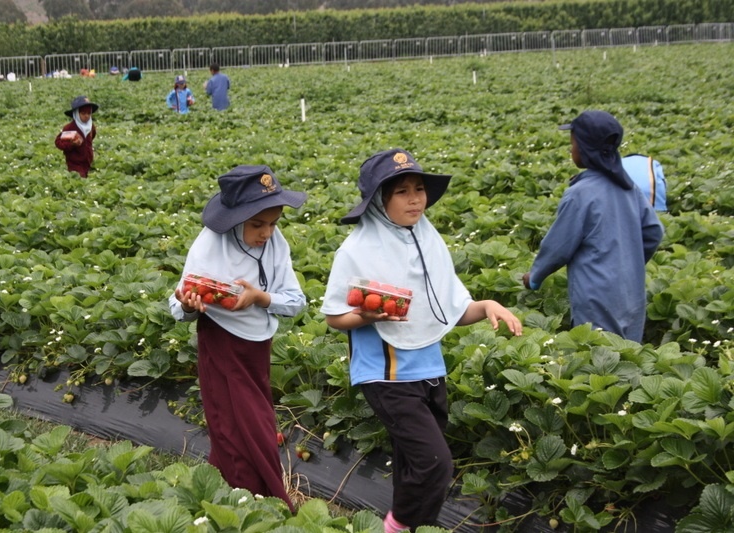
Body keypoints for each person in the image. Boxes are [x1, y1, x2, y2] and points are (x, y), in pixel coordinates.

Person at [321, 149, 523, 533]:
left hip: (429, 368)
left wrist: (487, 305)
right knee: (435, 463)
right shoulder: (356, 249)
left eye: (419, 189)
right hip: (386, 372)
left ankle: (414, 527)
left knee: (415, 463)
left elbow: (450, 309)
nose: (415, 198)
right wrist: (366, 314)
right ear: (380, 201)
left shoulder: (428, 240)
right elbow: (334, 318)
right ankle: (397, 527)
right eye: (401, 191)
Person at [168, 165, 307, 512]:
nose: (267, 233)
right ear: (233, 220)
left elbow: (296, 301)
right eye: (257, 224)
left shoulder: (276, 244)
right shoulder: (209, 245)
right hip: (220, 342)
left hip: (258, 347)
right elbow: (178, 304)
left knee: (252, 422)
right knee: (233, 425)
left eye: (273, 223)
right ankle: (260, 502)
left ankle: (234, 499)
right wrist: (190, 305)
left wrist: (260, 297)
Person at [522, 110, 664, 342]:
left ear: (585, 149)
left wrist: (535, 277)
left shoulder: (579, 194)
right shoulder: (629, 188)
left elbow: (558, 247)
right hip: (632, 293)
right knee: (630, 357)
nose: (571, 149)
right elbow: (653, 231)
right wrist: (630, 263)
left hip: (597, 297)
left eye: (573, 143)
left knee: (599, 358)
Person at [54, 95, 99, 178]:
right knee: (78, 180)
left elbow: (91, 138)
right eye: (83, 113)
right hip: (74, 163)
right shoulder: (69, 128)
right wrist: (72, 145)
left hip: (87, 161)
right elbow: (58, 142)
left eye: (89, 113)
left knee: (85, 181)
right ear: (76, 114)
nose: (86, 116)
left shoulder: (91, 126)